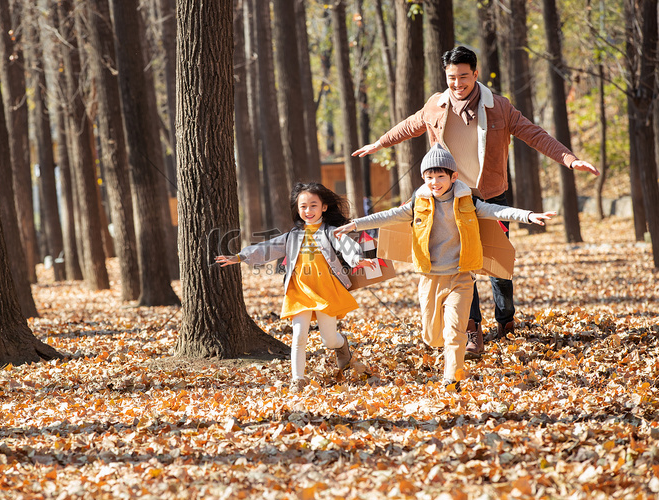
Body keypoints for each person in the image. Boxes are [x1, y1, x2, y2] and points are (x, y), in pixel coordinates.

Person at [352, 45, 599, 356]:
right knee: (462, 265)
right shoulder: (436, 106)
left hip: (492, 194)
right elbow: (410, 125)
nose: (457, 84)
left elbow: (534, 134)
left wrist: (570, 159)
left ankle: (506, 320)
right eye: (452, 78)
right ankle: (472, 330)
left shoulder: (499, 107)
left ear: (476, 74)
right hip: (454, 199)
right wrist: (378, 143)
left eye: (464, 77)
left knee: (498, 266)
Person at [335, 144, 555, 389]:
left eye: (440, 176)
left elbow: (497, 211)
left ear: (454, 177)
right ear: (423, 178)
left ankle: (452, 378)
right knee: (431, 335)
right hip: (429, 277)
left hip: (461, 277)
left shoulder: (468, 201)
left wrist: (528, 215)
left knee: (455, 332)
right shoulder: (417, 203)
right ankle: (449, 361)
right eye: (430, 177)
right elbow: (386, 216)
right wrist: (354, 225)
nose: (435, 182)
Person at [216, 182, 375, 391]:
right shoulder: (293, 236)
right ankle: (298, 379)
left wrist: (356, 260)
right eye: (303, 206)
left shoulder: (332, 232)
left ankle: (341, 344)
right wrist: (240, 257)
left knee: (329, 340)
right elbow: (268, 248)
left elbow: (347, 245)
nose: (308, 211)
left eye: (313, 205)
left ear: (324, 207)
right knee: (299, 336)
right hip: (299, 291)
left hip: (326, 290)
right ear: (298, 209)